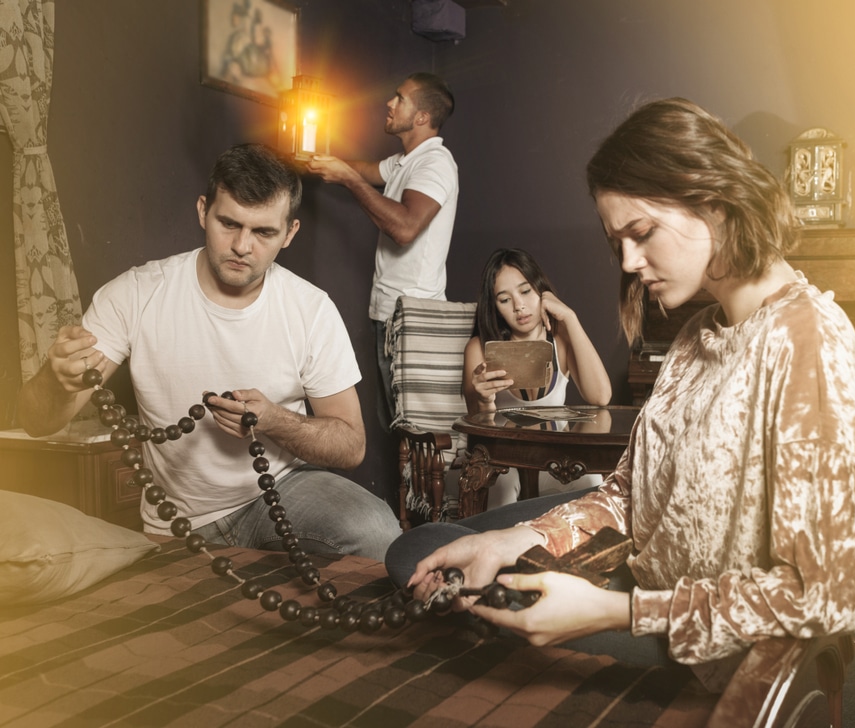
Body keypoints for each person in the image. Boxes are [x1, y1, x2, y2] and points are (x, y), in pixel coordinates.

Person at [385, 98, 855, 693]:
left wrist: (609, 613)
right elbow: (627, 496)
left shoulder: (808, 343)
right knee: (425, 551)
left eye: (640, 233)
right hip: (637, 577)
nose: (628, 261)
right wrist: (512, 540)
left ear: (714, 200)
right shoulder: (697, 337)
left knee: (472, 604)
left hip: (702, 638)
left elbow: (825, 595)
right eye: (617, 240)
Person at [16, 143, 401, 560]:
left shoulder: (311, 309)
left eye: (263, 232)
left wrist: (274, 420)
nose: (241, 246)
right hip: (179, 518)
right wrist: (55, 380)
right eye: (228, 223)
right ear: (203, 211)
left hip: (281, 490)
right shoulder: (135, 294)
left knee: (377, 531)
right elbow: (38, 423)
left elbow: (350, 445)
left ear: (289, 233)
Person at [306, 72, 458, 428]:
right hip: (390, 314)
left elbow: (404, 228)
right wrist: (313, 159)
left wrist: (346, 178)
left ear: (421, 117)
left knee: (415, 429)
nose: (389, 103)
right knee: (395, 423)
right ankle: (408, 487)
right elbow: (366, 171)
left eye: (399, 98)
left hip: (412, 319)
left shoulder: (435, 163)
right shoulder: (406, 161)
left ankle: (419, 488)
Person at [460, 247, 612, 507]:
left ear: (541, 290)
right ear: (494, 307)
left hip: (555, 461)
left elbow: (601, 397)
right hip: (504, 461)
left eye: (526, 291)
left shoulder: (562, 341)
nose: (519, 306)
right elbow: (479, 435)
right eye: (504, 299)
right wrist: (484, 401)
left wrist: (570, 318)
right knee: (502, 488)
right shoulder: (480, 348)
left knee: (592, 484)